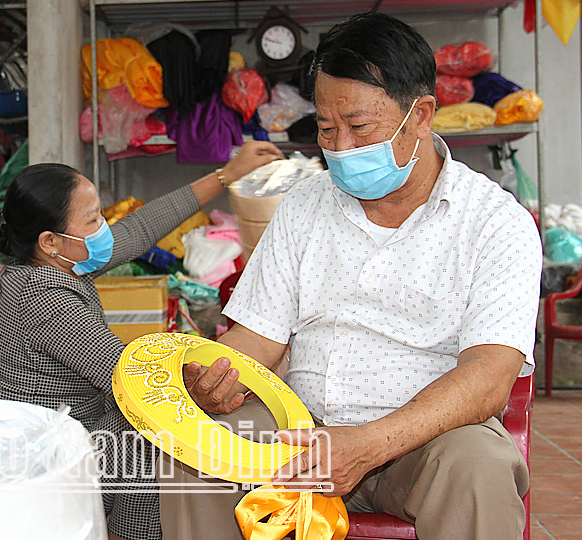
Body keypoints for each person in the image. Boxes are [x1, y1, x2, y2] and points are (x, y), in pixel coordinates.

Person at [165, 13, 541, 540]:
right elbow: (257, 340)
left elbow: (489, 377)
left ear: (422, 115)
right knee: (196, 455)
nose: (339, 147)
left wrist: (367, 444)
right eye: (325, 128)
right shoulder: (301, 207)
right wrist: (213, 379)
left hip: (423, 441)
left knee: (477, 465)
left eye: (359, 128)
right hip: (298, 430)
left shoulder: (495, 222)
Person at [0, 141, 283, 540]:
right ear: (49, 241)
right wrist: (202, 380)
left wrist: (227, 175)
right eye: (93, 220)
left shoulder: (62, 260)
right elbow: (136, 382)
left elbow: (140, 229)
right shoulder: (45, 297)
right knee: (151, 428)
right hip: (47, 465)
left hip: (64, 441)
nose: (104, 228)